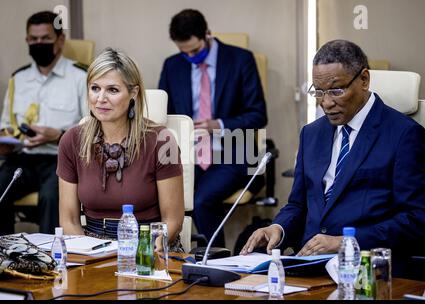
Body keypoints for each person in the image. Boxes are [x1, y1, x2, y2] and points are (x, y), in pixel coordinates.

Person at [241, 40, 425, 277]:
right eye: (318, 92)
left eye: (337, 90)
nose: (326, 102)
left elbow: (416, 219)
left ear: (364, 80)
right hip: (307, 265)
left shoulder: (404, 135)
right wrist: (278, 228)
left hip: (367, 270)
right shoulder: (311, 134)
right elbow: (299, 204)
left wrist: (345, 242)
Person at [57, 48, 185, 251]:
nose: (100, 99)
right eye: (95, 88)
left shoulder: (162, 141)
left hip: (147, 245)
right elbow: (69, 220)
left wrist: (146, 252)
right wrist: (93, 254)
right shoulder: (71, 140)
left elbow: (173, 220)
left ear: (133, 93)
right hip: (91, 247)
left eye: (113, 90)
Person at [159, 9, 267, 247]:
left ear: (207, 34)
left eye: (195, 51)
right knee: (165, 194)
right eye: (184, 53)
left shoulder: (240, 60)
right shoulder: (173, 66)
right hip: (188, 153)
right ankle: (174, 257)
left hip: (232, 151)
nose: (190, 57)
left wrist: (217, 125)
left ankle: (215, 259)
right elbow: (164, 115)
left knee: (201, 200)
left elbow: (258, 115)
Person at [0, 11, 87, 235]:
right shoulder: (18, 78)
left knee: (51, 196)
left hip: (62, 158)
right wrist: (6, 141)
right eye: (33, 39)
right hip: (24, 158)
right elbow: (7, 124)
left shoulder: (80, 76)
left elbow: (92, 129)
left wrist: (58, 136)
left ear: (60, 40)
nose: (39, 44)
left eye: (45, 39)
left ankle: (52, 262)